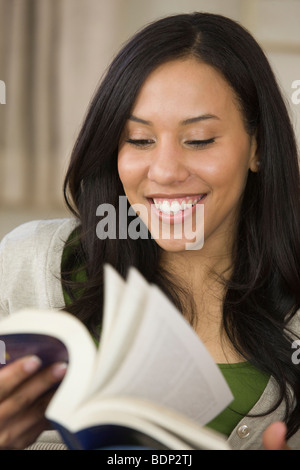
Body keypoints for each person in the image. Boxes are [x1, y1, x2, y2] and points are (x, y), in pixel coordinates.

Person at [0, 12, 299, 451]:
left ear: (257, 147)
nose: (165, 171)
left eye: (198, 140)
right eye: (139, 140)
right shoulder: (29, 263)